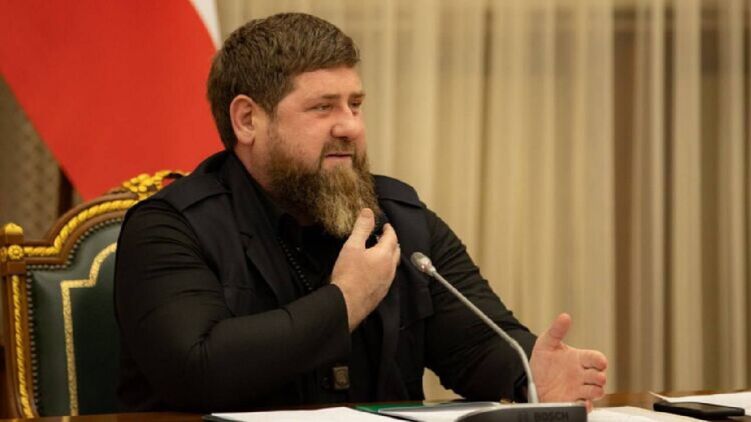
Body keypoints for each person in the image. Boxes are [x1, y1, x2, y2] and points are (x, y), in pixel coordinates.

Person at [114, 12, 607, 413]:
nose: (350, 126)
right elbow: (197, 371)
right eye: (323, 107)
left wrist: (527, 371)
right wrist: (345, 300)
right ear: (247, 120)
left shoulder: (399, 217)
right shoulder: (170, 228)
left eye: (355, 104)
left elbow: (474, 344)